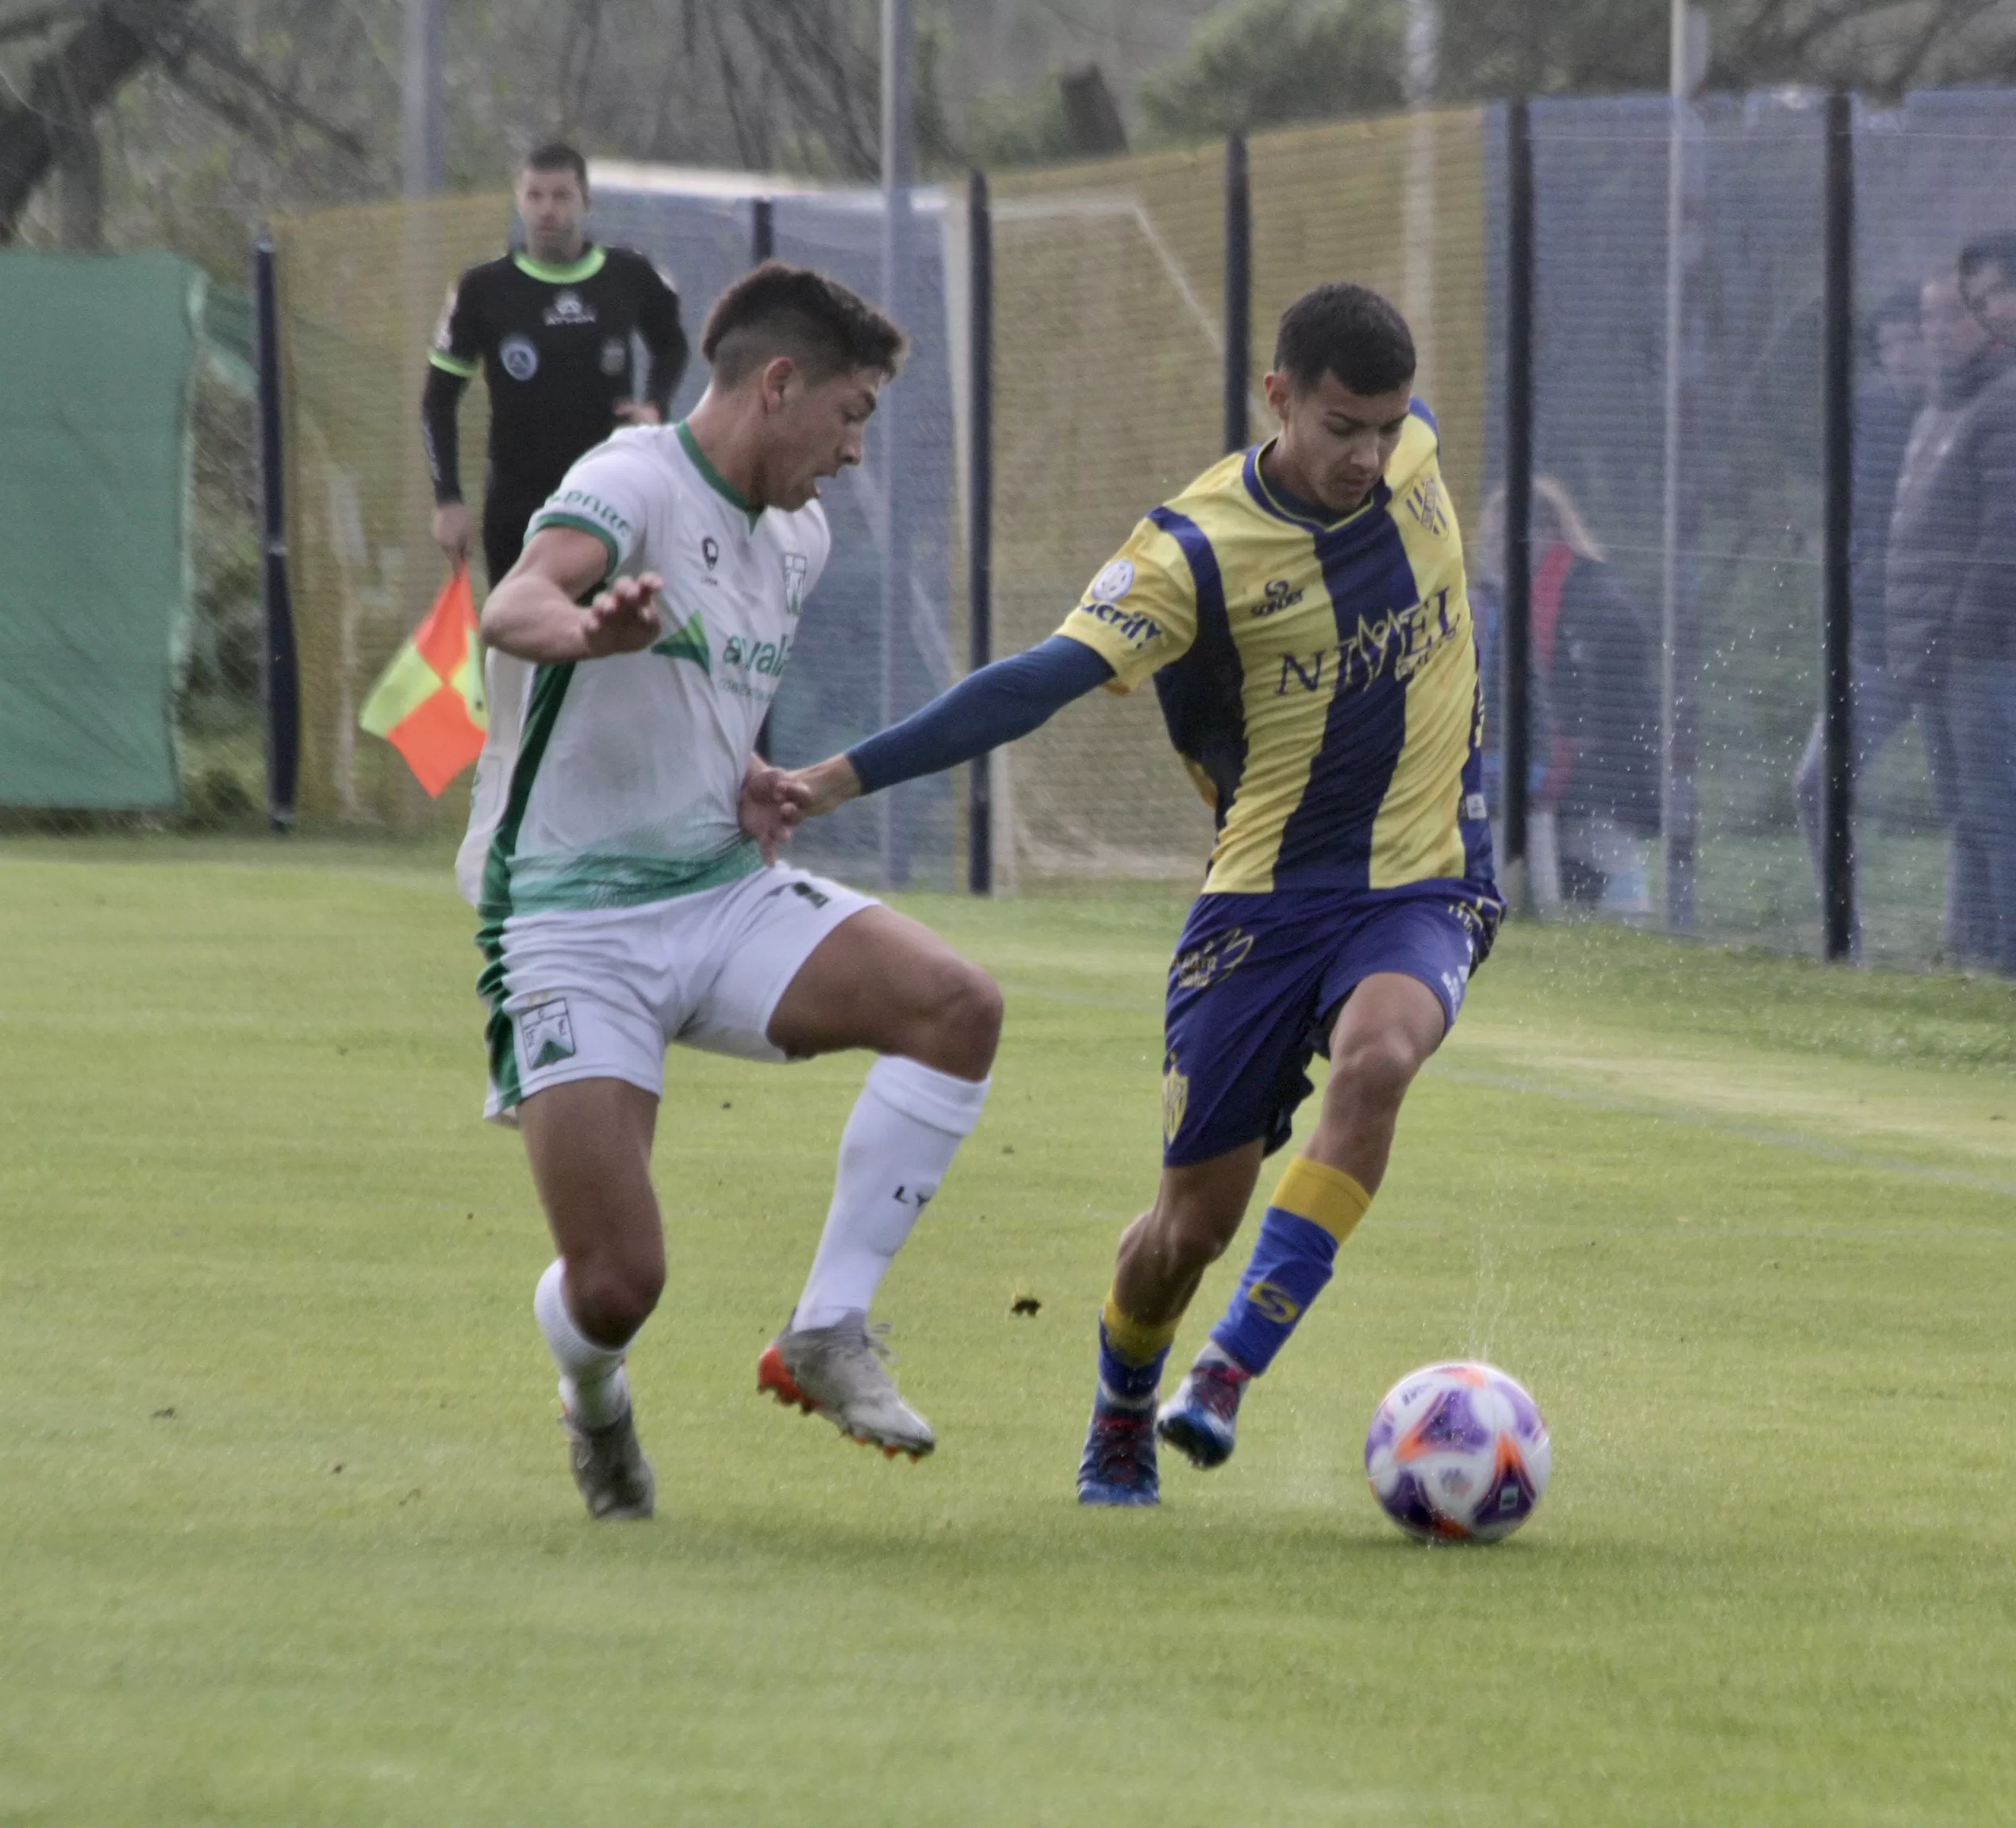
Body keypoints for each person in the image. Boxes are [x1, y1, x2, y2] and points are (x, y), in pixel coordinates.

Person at [780, 282, 1500, 1505]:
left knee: (1380, 1058)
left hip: (1425, 884)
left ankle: (1225, 1372)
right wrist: (840, 776)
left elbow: (1398, 453)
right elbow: (1034, 683)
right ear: (1277, 397)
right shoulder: (1192, 552)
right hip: (1259, 908)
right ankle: (1124, 1399)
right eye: (1340, 428)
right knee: (1185, 1232)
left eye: (1384, 428)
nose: (1369, 456)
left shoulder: (1415, 456)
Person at [463, 263, 1002, 1521]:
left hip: (717, 889)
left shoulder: (797, 534)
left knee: (956, 1006)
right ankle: (595, 1405)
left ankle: (827, 1328)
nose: (855, 451)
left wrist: (747, 771)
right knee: (615, 1289)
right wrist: (589, 630)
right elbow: (514, 603)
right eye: (851, 414)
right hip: (569, 923)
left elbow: (711, 691)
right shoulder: (633, 478)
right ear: (777, 385)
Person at [422, 140, 689, 590]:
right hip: (518, 504)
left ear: (586, 201)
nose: (547, 209)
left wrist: (655, 407)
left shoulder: (628, 274)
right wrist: (447, 499)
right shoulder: (483, 289)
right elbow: (438, 400)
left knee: (607, 640)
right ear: (519, 200)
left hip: (613, 496)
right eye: (535, 195)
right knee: (524, 643)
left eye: (561, 195)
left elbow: (672, 346)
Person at [1884, 267, 2016, 972]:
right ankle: (1975, 953)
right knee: (1965, 814)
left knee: (1997, 812)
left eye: (1951, 317)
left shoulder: (2002, 405)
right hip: (1932, 651)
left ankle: (2004, 961)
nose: (1936, 332)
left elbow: (2003, 537)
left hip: (1984, 654)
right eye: (1927, 318)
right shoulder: (1938, 407)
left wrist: (1960, 633)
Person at [1791, 286, 1928, 950]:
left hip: (1957, 644)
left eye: (1914, 340)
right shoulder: (1868, 415)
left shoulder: (1978, 414)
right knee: (1816, 782)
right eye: (1889, 345)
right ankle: (1846, 939)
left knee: (1979, 809)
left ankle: (1981, 953)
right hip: (1875, 641)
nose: (1902, 356)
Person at [1472, 477, 1658, 914]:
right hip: (1550, 775)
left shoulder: (1593, 597)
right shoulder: (1508, 600)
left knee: (1612, 878)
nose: (1497, 550)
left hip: (1599, 780)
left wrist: (1566, 754)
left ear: (1546, 533)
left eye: (1507, 537)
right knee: (1556, 892)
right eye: (1491, 540)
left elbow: (1611, 702)